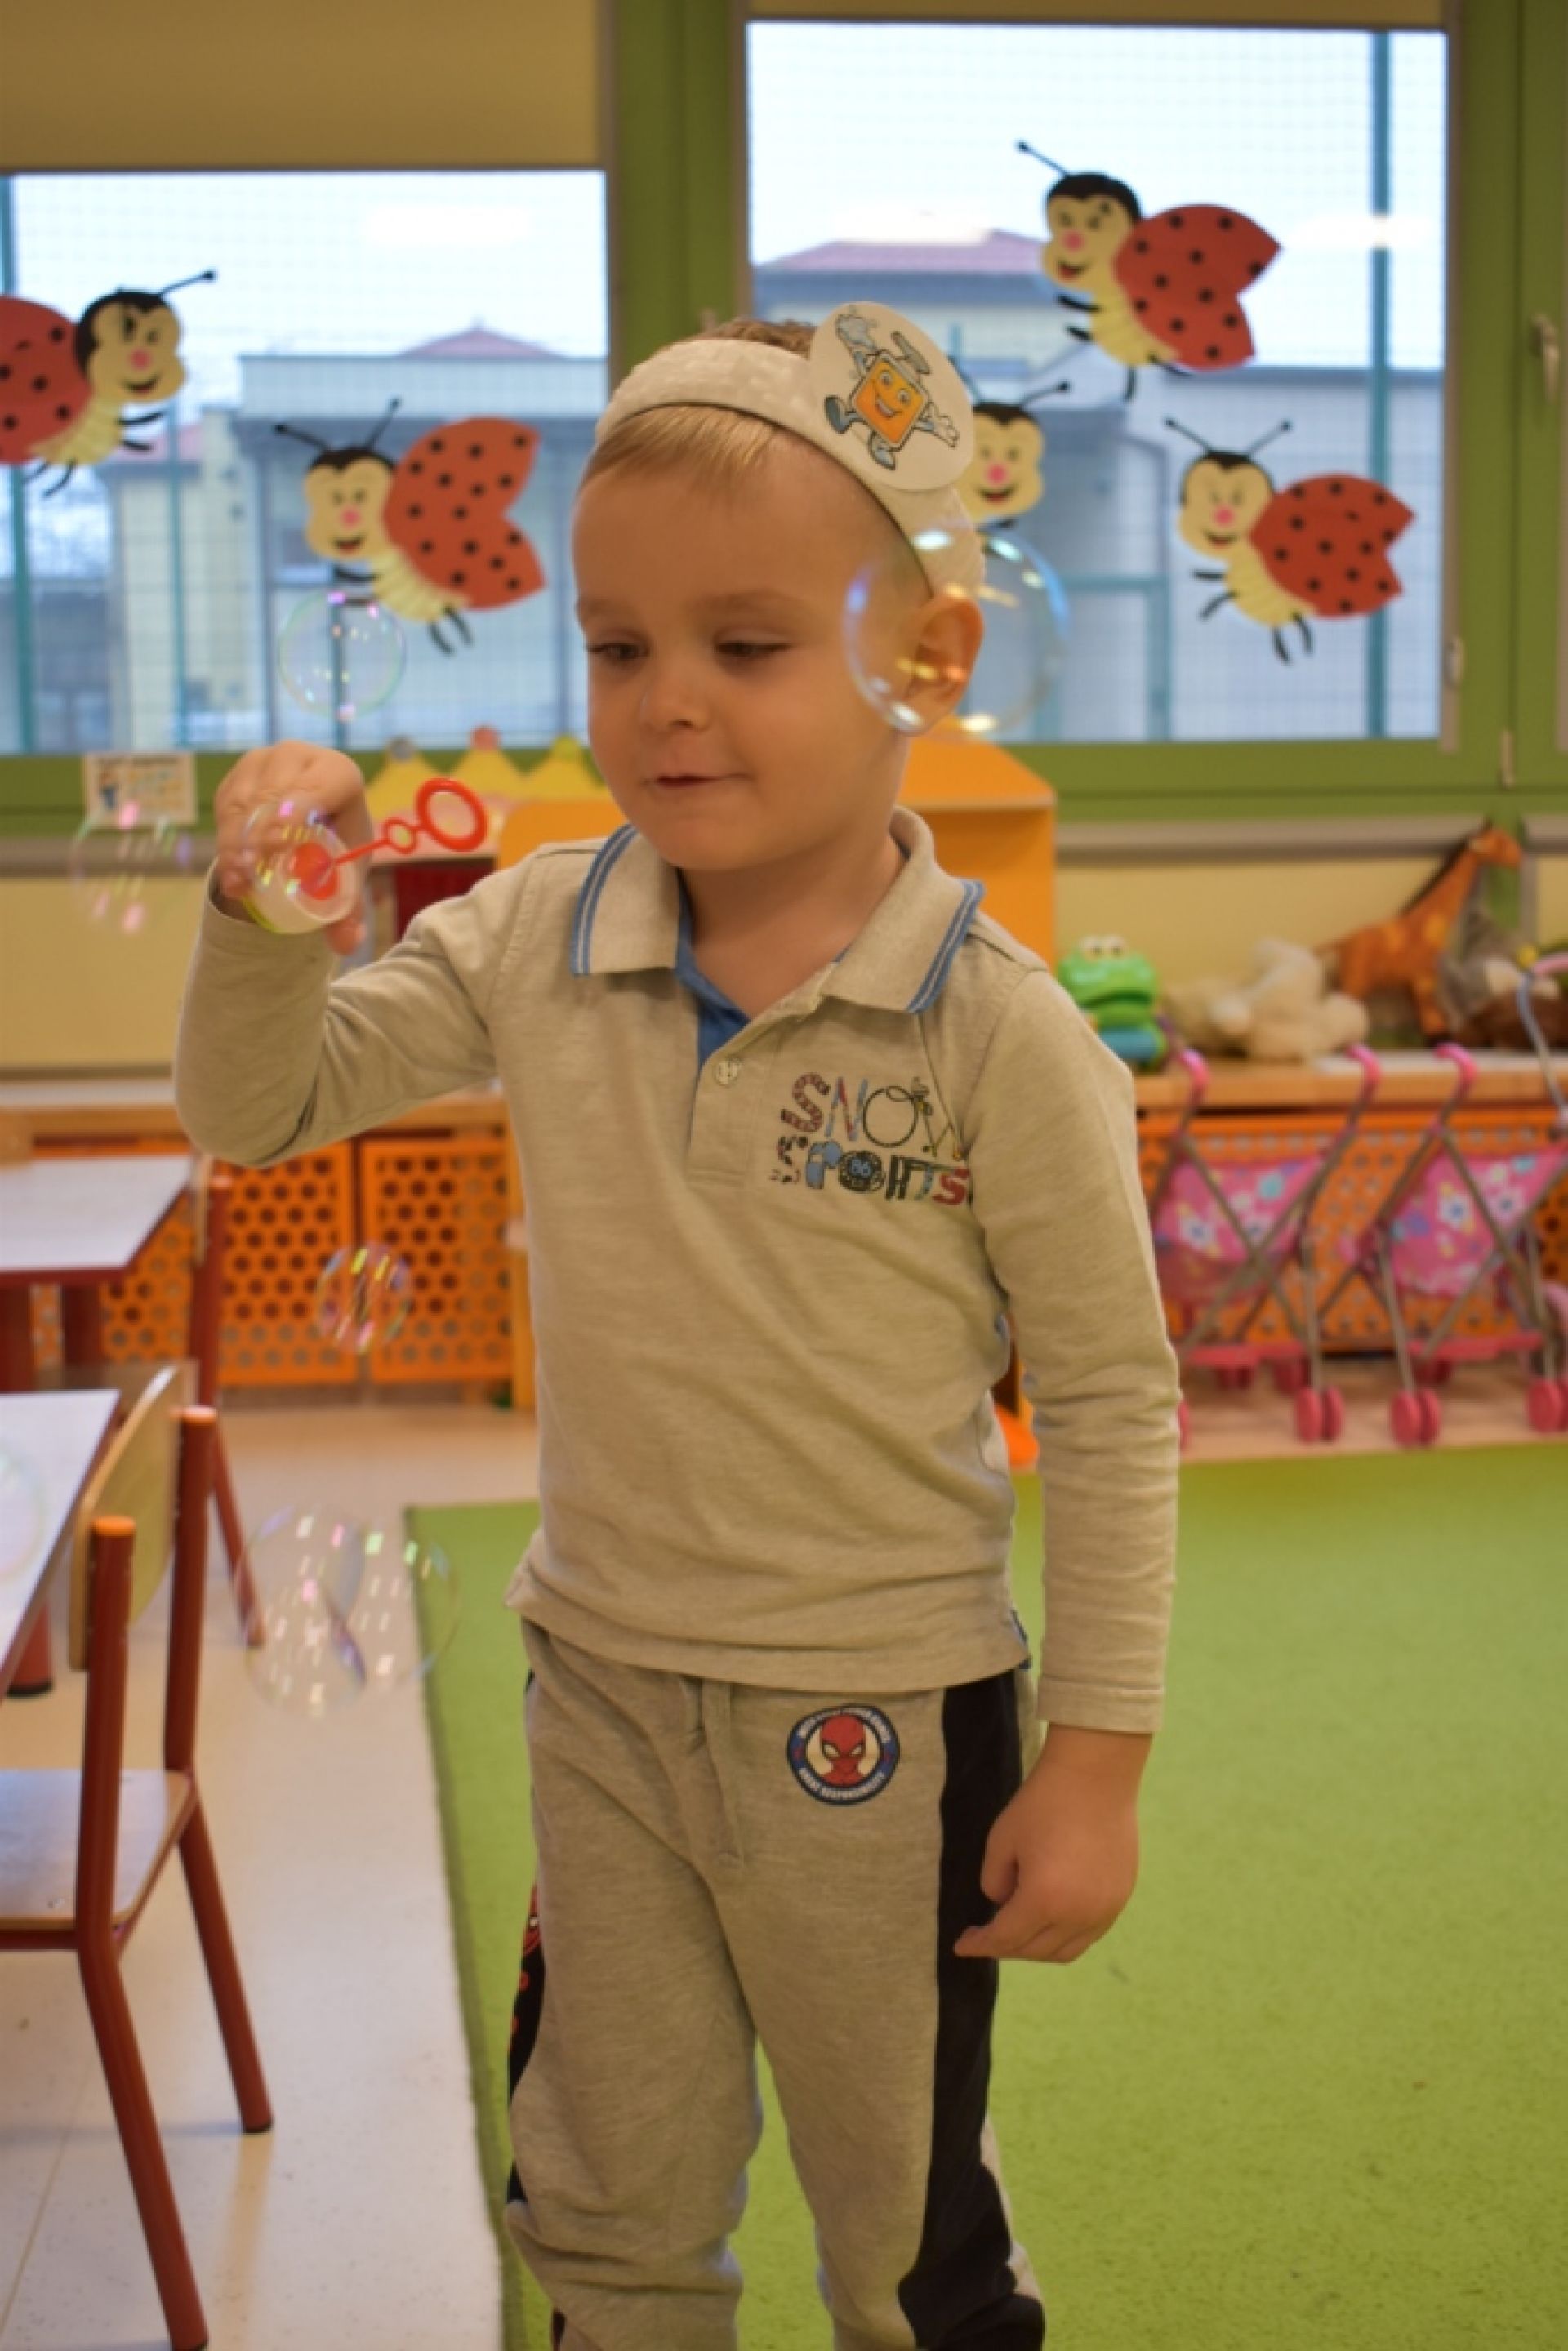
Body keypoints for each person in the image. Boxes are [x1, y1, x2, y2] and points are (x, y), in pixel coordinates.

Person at [175, 307, 1180, 2351]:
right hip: (606, 1692)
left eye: (748, 644)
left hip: (882, 1723)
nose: (669, 706)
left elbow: (1108, 1400)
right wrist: (266, 917)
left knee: (904, 2229)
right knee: (605, 2200)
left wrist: (1093, 1765)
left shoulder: (1001, 1034)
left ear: (925, 666)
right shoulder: (536, 931)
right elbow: (254, 1109)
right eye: (620, 647)